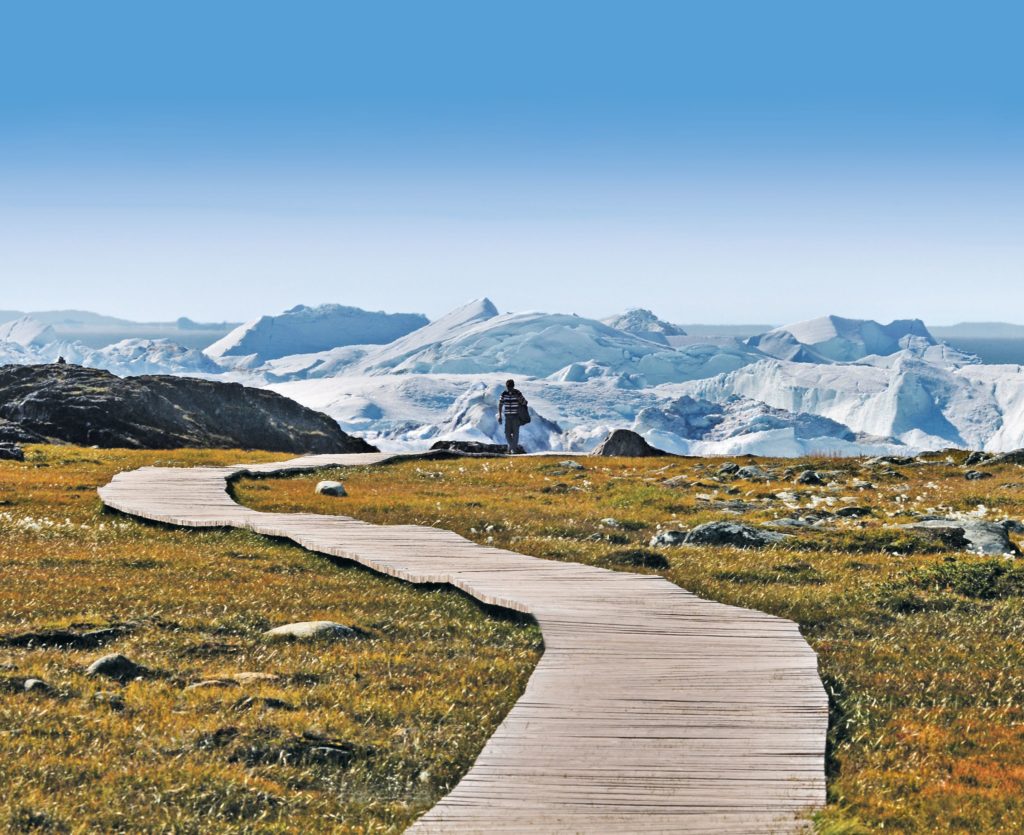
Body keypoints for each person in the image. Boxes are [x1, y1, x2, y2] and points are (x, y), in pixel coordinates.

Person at [496, 379, 528, 454]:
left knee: (515, 433)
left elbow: (525, 402)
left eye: (510, 387)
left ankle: (511, 450)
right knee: (507, 433)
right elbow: (500, 404)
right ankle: (514, 449)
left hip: (516, 416)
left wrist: (518, 398)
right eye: (508, 387)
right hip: (507, 416)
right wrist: (500, 416)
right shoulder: (504, 394)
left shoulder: (517, 393)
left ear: (513, 386)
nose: (509, 389)